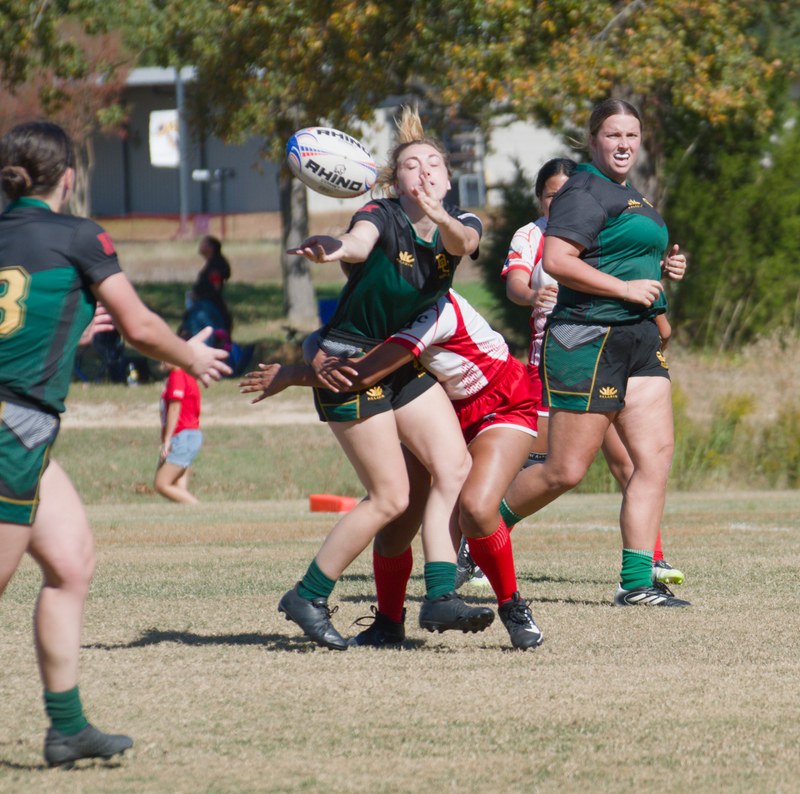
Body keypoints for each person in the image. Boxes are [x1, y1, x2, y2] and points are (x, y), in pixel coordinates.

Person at [0, 120, 230, 767]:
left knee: (71, 560)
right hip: (13, 426)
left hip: (24, 427)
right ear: (67, 179)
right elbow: (141, 325)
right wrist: (191, 356)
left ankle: (67, 727)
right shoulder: (79, 235)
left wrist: (60, 339)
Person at [269, 106, 492, 651]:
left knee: (453, 465)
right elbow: (360, 242)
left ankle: (439, 595)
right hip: (348, 363)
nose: (425, 173)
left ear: (446, 175)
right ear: (396, 181)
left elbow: (463, 244)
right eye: (412, 167)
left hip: (399, 362)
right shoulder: (381, 213)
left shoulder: (461, 222)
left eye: (434, 164)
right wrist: (336, 247)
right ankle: (309, 594)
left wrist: (440, 216)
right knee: (391, 497)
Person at [242, 288, 545, 650]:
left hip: (501, 402)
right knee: (397, 518)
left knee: (477, 508)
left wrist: (296, 374)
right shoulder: (380, 302)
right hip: (436, 408)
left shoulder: (433, 310)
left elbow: (362, 374)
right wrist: (316, 354)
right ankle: (388, 623)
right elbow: (324, 338)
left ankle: (512, 606)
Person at [499, 99, 691, 607]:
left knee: (652, 461)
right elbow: (558, 261)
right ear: (593, 139)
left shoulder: (630, 196)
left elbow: (631, 259)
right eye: (613, 135)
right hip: (590, 337)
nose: (624, 144)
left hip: (640, 340)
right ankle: (479, 528)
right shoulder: (583, 190)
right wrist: (624, 291)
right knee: (565, 470)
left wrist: (664, 275)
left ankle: (636, 583)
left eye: (632, 134)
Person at [154, 364, 203, 504]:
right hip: (190, 436)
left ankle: (199, 510)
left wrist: (167, 440)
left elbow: (175, 407)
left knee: (161, 484)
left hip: (182, 436)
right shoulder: (187, 375)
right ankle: (190, 520)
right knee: (178, 486)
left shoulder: (177, 375)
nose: (161, 360)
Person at [180, 235, 233, 342]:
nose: (200, 246)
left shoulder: (214, 266)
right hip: (202, 303)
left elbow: (216, 286)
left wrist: (200, 296)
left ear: (211, 247)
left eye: (203, 243)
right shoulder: (211, 264)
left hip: (206, 305)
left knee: (199, 330)